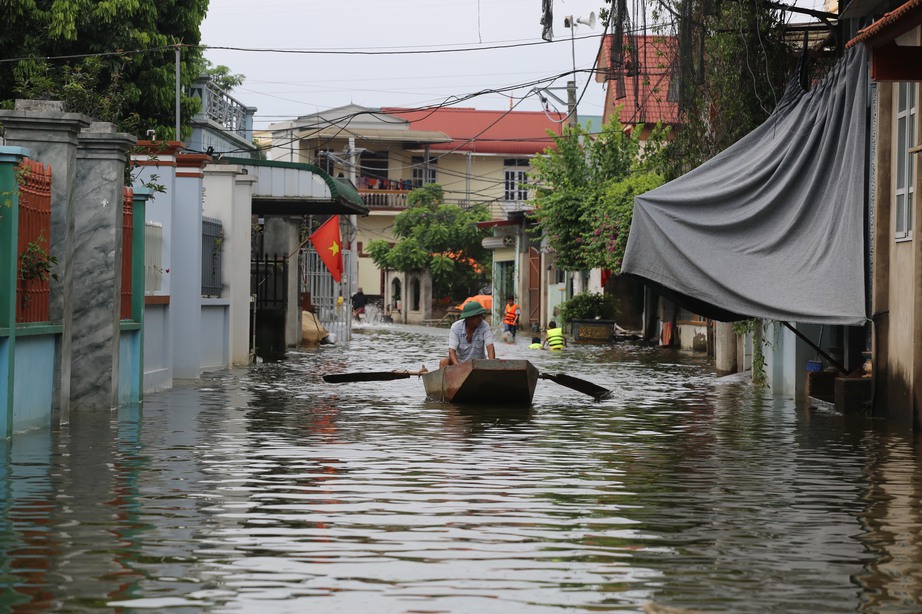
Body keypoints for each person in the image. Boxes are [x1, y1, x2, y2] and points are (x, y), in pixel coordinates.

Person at [440, 300, 495, 368]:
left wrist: (492, 366)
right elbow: (451, 351)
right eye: (477, 316)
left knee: (494, 362)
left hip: (478, 364)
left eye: (481, 315)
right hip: (460, 363)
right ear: (469, 317)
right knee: (443, 362)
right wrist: (458, 367)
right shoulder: (456, 327)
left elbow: (490, 347)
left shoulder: (484, 326)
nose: (480, 318)